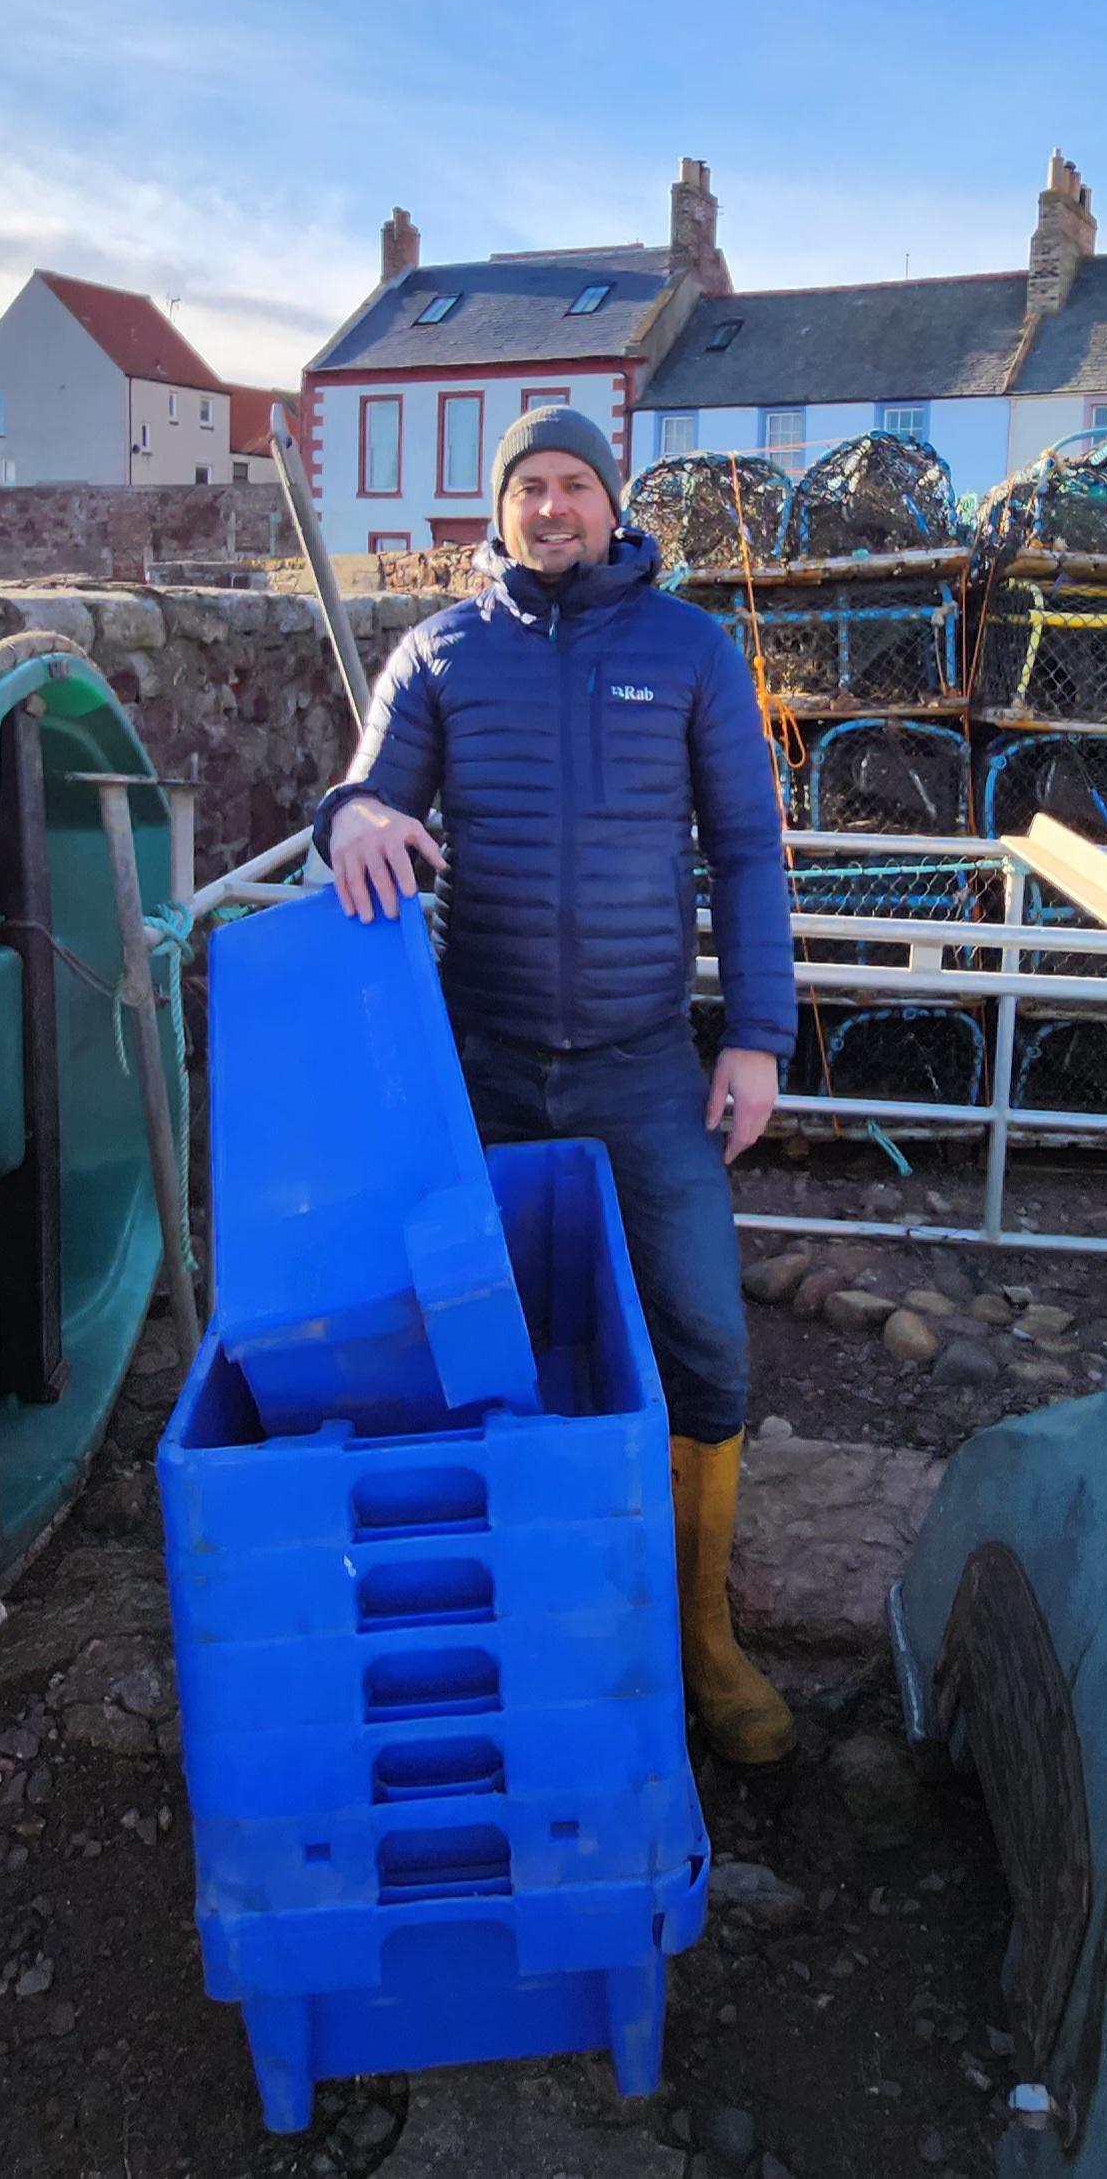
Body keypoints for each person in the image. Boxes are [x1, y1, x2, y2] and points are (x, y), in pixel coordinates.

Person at [314, 405, 798, 1765]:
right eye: (527, 487)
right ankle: (513, 1609)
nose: (550, 508)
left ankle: (700, 1641)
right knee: (472, 1333)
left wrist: (754, 1036)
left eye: (573, 484)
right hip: (480, 1061)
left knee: (704, 1335)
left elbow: (750, 858)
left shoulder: (693, 651)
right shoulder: (439, 654)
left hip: (647, 1063)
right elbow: (367, 797)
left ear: (613, 502)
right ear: (502, 508)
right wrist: (348, 814)